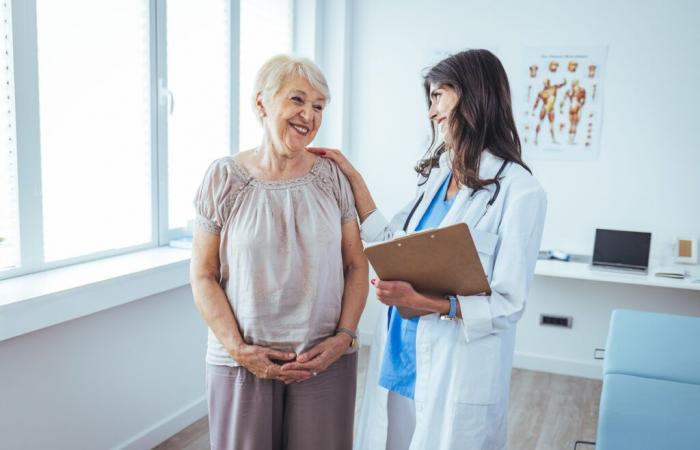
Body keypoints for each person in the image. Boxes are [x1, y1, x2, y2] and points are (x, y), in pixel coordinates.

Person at [308, 49, 547, 450]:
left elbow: (509, 303)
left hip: (457, 365)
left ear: (473, 95)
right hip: (404, 354)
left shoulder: (521, 192)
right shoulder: (438, 177)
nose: (433, 111)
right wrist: (353, 178)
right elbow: (392, 242)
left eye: (439, 96)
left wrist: (426, 301)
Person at [190, 54, 369, 450]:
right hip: (242, 361)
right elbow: (202, 274)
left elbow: (357, 265)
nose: (308, 114)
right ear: (261, 104)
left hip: (322, 360)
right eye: (297, 100)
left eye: (318, 106)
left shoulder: (332, 178)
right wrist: (238, 349)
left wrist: (344, 337)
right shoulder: (223, 178)